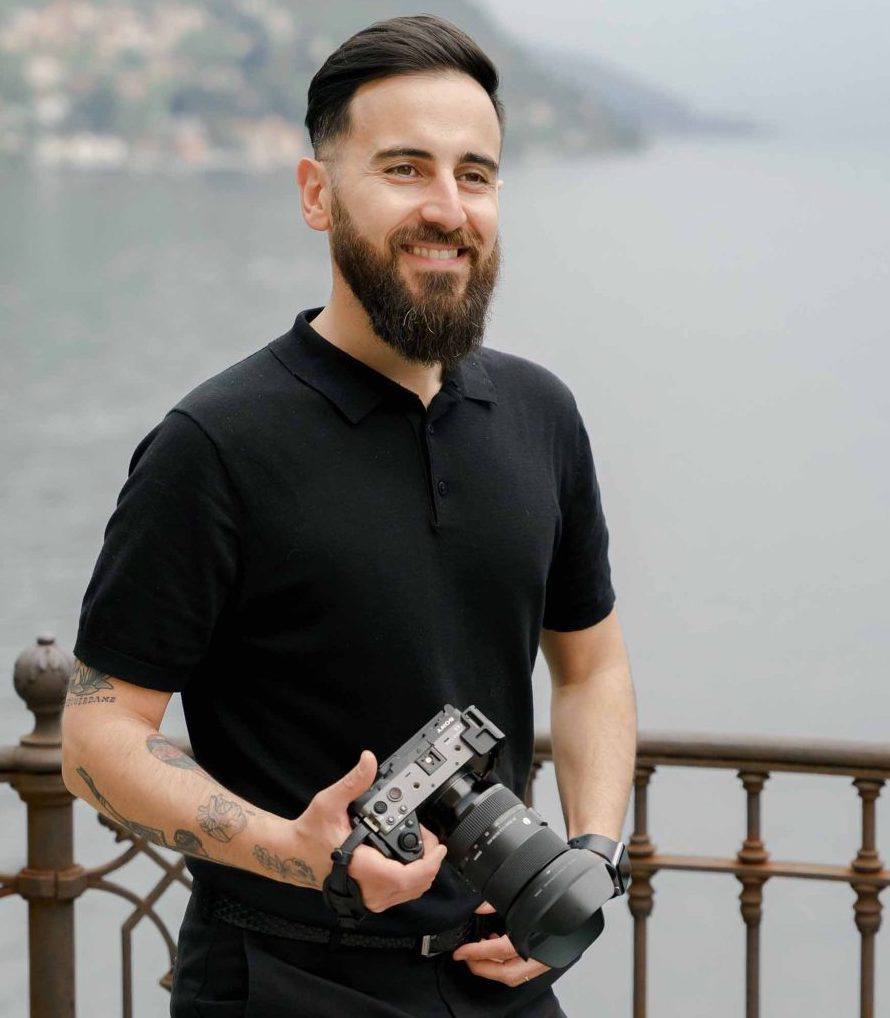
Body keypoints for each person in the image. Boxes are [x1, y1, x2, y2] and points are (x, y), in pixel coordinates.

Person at [61, 15, 636, 1018]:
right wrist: (290, 848)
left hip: (498, 972)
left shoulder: (541, 415)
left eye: (476, 173)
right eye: (405, 169)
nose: (447, 208)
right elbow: (96, 736)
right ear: (316, 194)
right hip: (282, 980)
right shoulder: (213, 444)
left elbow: (591, 666)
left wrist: (585, 854)